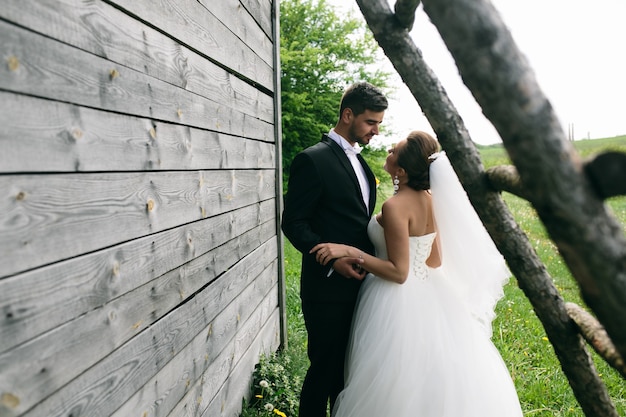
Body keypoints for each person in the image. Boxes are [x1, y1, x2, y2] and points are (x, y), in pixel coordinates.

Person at [311, 131, 524, 417]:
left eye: (393, 150)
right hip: (430, 292)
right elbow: (434, 259)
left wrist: (350, 251)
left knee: (392, 380)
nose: (388, 148)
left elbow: (399, 272)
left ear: (401, 171)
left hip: (393, 299)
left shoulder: (395, 207)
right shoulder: (430, 199)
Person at [281, 81, 388, 417]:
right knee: (323, 371)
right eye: (371, 122)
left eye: (379, 125)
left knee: (347, 373)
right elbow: (294, 222)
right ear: (347, 114)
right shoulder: (312, 160)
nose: (375, 131)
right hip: (326, 288)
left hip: (361, 289)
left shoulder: (365, 168)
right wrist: (331, 263)